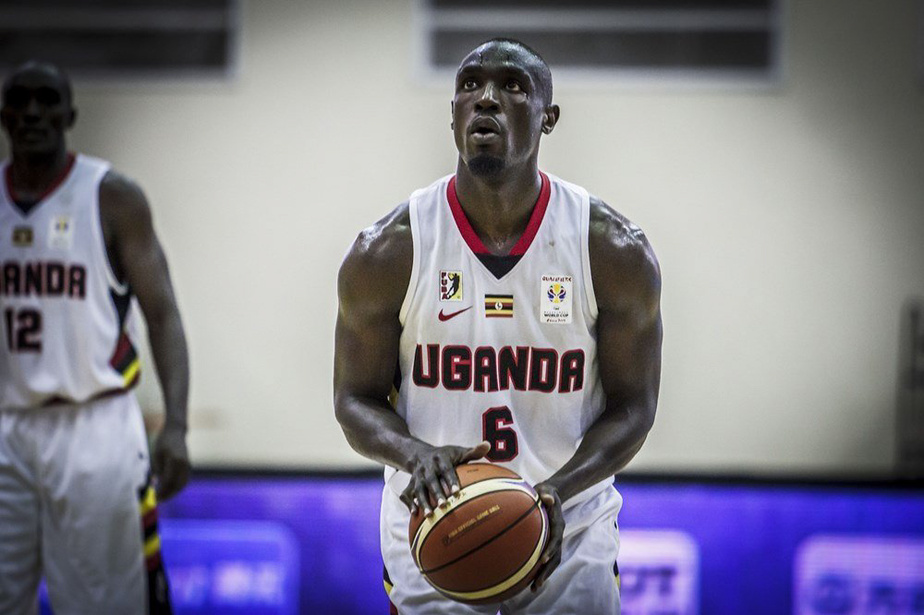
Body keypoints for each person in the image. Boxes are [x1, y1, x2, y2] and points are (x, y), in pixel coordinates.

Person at [334, 38, 662, 614]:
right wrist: (415, 454)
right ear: (453, 115)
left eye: (512, 86)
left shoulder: (612, 250)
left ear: (548, 118)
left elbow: (634, 409)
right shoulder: (387, 251)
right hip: (435, 520)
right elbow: (353, 401)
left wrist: (556, 493)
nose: (485, 98)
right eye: (470, 85)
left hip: (571, 524)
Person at [0, 61, 190, 614]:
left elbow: (164, 316)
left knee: (104, 605)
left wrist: (176, 425)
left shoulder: (113, 198)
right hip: (6, 423)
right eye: (19, 100)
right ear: (3, 115)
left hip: (95, 426)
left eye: (46, 99)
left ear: (69, 114)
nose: (32, 112)